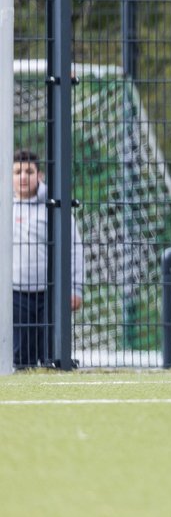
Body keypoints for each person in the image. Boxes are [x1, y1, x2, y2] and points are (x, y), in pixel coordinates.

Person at [11, 149, 84, 368]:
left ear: (39, 175)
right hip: (14, 295)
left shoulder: (55, 207)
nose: (23, 177)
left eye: (29, 171)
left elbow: (74, 247)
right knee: (21, 359)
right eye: (17, 172)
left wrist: (76, 288)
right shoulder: (5, 207)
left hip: (50, 294)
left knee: (52, 357)